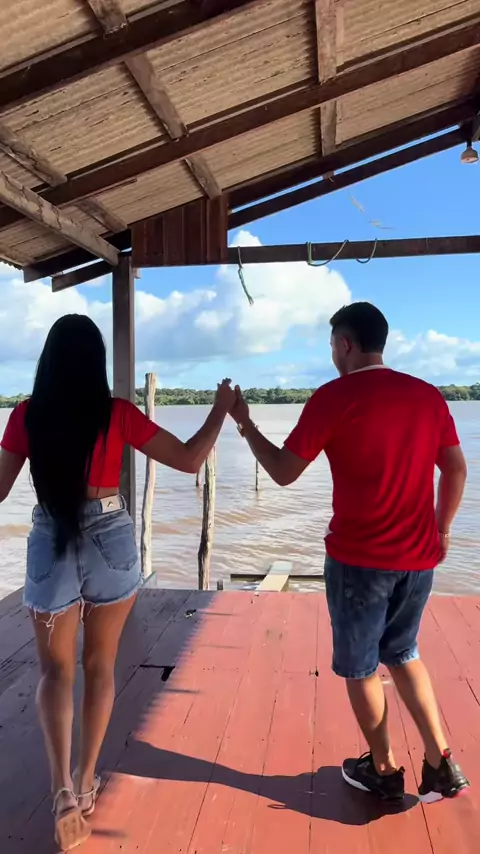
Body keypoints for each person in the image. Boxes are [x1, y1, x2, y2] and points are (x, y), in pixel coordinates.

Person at [0, 314, 234, 851]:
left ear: (48, 361)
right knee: (100, 666)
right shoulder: (118, 414)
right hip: (110, 536)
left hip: (51, 534)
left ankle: (60, 788)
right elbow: (189, 459)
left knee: (55, 672)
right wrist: (220, 410)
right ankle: (85, 783)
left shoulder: (26, 416)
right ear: (96, 362)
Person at [229, 301, 469, 804]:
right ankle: (441, 760)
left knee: (361, 667)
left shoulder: (333, 397)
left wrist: (246, 425)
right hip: (418, 559)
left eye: (332, 346)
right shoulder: (427, 395)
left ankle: (383, 769)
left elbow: (283, 471)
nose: (333, 355)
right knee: (404, 653)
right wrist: (442, 529)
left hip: (360, 562)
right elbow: (456, 469)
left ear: (345, 344)